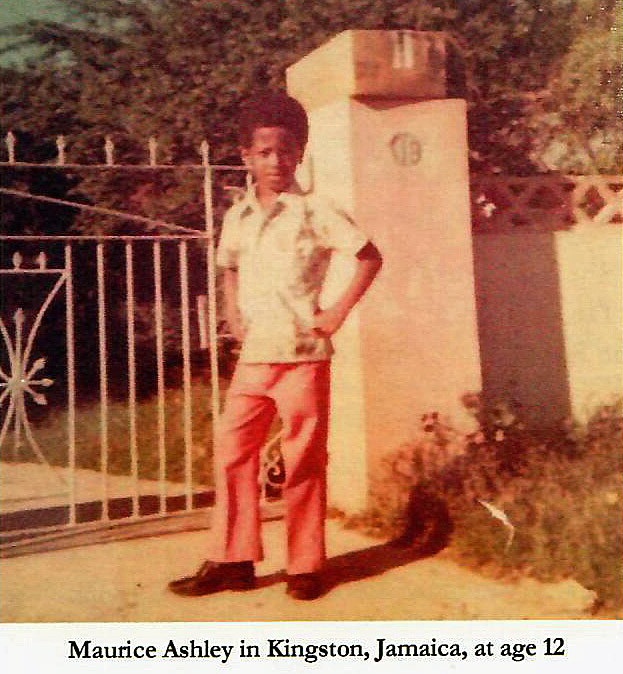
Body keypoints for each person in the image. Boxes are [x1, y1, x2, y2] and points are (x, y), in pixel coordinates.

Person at [169, 91, 382, 600]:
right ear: (246, 157)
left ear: (298, 155)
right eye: (264, 153)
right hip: (254, 359)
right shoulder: (237, 216)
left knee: (303, 460)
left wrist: (336, 313)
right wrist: (231, 313)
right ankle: (233, 560)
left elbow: (369, 257)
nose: (275, 162)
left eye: (285, 152)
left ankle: (306, 565)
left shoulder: (315, 210)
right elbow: (230, 268)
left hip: (304, 357)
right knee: (231, 455)